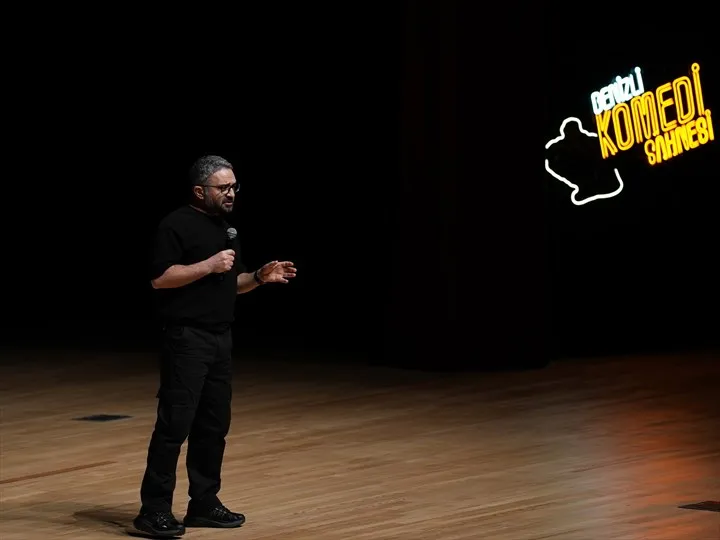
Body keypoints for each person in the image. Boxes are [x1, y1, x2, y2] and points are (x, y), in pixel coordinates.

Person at [133, 155, 297, 537]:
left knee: (213, 425)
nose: (231, 193)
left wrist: (258, 277)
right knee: (174, 425)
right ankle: (153, 510)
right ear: (198, 190)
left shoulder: (226, 229)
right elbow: (160, 278)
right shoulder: (175, 225)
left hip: (220, 339)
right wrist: (209, 265)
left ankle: (204, 503)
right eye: (223, 187)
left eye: (234, 186)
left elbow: (229, 284)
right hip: (186, 339)